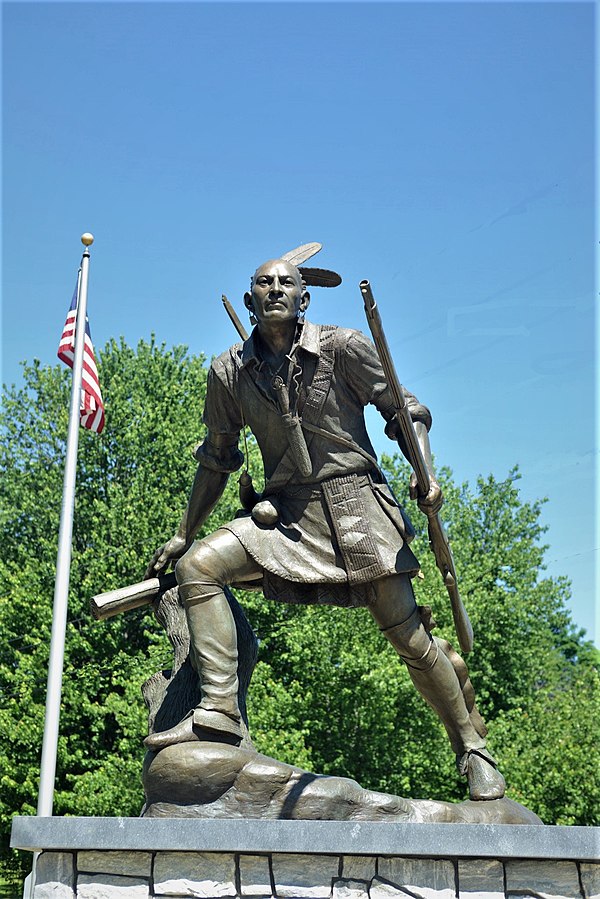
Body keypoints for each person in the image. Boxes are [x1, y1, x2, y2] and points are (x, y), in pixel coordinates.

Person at [144, 255, 506, 801]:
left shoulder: (342, 347)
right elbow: (217, 457)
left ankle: (471, 748)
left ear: (304, 298)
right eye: (263, 284)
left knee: (409, 638)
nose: (274, 291)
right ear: (249, 301)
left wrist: (423, 469)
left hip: (357, 507)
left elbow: (405, 410)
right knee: (200, 565)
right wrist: (183, 532)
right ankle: (219, 709)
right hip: (286, 515)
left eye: (285, 283)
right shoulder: (228, 372)